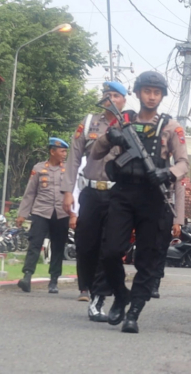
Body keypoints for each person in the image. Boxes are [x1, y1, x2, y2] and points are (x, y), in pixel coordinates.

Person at [91, 71, 188, 333]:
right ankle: (120, 294)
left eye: (156, 92)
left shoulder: (171, 126)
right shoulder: (123, 121)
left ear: (162, 96)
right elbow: (96, 152)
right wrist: (111, 137)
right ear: (137, 93)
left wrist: (167, 173)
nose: (152, 96)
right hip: (123, 194)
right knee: (111, 251)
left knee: (148, 258)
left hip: (154, 197)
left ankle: (133, 310)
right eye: (147, 91)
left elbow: (183, 163)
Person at [62, 81, 126, 317]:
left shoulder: (128, 124)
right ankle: (86, 285)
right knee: (86, 244)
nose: (110, 98)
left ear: (124, 100)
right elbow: (74, 158)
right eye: (107, 94)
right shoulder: (89, 122)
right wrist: (68, 191)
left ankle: (98, 297)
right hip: (89, 192)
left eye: (115, 95)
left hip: (116, 194)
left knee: (107, 246)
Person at [16, 137, 70, 294]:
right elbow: (30, 193)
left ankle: (54, 281)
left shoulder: (68, 170)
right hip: (41, 211)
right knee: (34, 243)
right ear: (52, 152)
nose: (64, 154)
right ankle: (27, 276)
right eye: (62, 151)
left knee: (58, 246)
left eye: (66, 151)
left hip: (61, 213)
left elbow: (73, 192)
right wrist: (22, 214)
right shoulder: (38, 168)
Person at [150, 178, 184, 299]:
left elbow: (180, 195)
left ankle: (155, 283)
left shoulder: (175, 170)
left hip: (166, 209)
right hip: (147, 209)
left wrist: (177, 222)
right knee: (146, 247)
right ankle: (144, 281)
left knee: (161, 248)